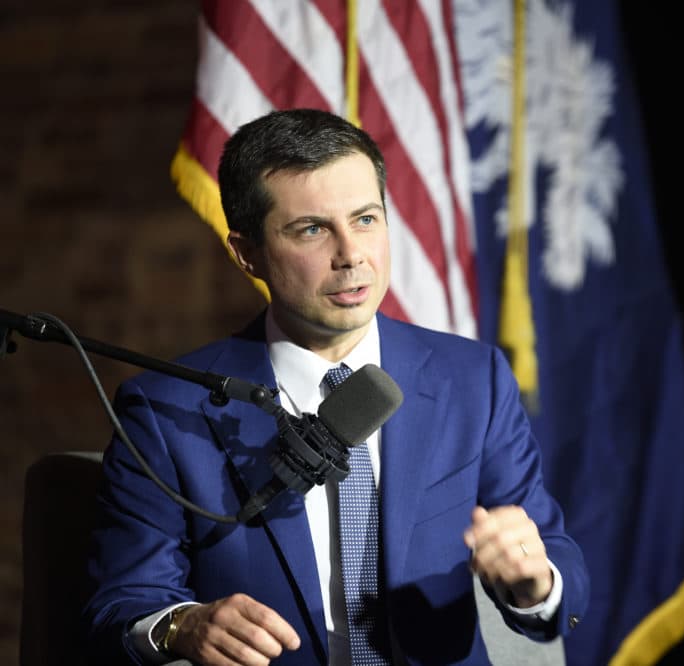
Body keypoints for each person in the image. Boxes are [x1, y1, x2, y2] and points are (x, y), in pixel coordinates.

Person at [83, 108, 589, 665]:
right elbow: (122, 605)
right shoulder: (165, 411)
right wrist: (183, 625)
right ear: (245, 252)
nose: (351, 255)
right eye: (312, 229)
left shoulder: (473, 380)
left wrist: (535, 582)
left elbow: (555, 563)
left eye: (366, 219)